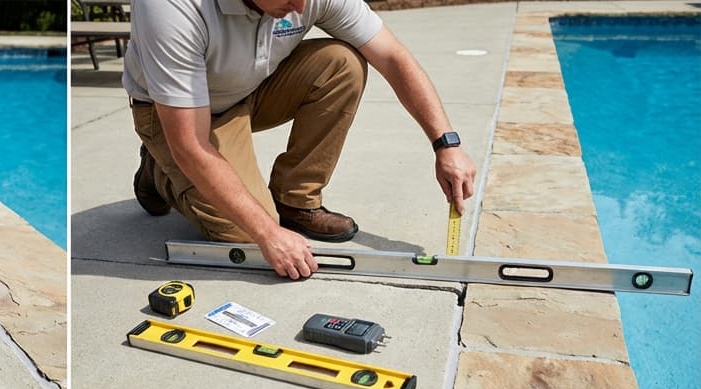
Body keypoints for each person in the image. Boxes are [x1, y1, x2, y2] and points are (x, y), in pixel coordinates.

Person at [124, 0, 478, 280]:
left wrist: (446, 144)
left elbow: (392, 56)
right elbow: (192, 145)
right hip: (178, 116)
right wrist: (267, 233)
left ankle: (296, 201)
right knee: (244, 234)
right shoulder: (171, 7)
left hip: (253, 88)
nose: (300, 6)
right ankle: (159, 172)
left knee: (343, 63)